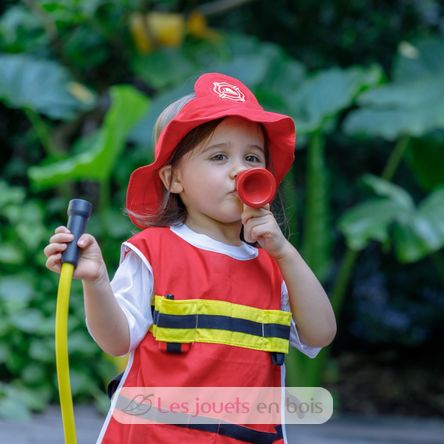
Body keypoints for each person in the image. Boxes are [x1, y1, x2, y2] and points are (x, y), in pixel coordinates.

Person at [44, 73, 336, 443]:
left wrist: (283, 252)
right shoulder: (153, 251)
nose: (239, 169)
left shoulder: (276, 268)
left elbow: (321, 333)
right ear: (173, 179)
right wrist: (96, 280)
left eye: (252, 158)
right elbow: (115, 340)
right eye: (219, 156)